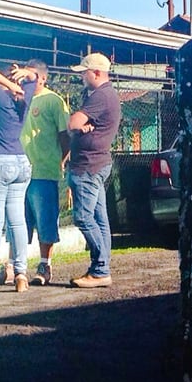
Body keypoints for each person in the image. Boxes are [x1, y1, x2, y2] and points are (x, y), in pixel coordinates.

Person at [0, 63, 38, 295]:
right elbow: (35, 78)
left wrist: (8, 83)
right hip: (21, 161)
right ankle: (21, 274)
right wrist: (26, 74)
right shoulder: (23, 98)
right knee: (18, 221)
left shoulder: (0, 99)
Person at [67, 52, 121, 288]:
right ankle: (101, 269)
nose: (81, 77)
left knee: (83, 217)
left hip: (89, 166)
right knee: (99, 219)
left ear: (96, 73)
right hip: (96, 164)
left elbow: (72, 123)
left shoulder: (101, 96)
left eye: (84, 73)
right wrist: (81, 127)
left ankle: (100, 269)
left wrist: (78, 127)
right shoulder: (106, 95)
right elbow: (78, 125)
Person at [19, 59, 71, 286]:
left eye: (30, 75)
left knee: (45, 221)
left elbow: (65, 135)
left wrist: (61, 160)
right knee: (17, 221)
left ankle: (44, 265)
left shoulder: (53, 101)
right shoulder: (18, 97)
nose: (25, 79)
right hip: (19, 171)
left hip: (44, 170)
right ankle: (14, 266)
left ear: (42, 78)